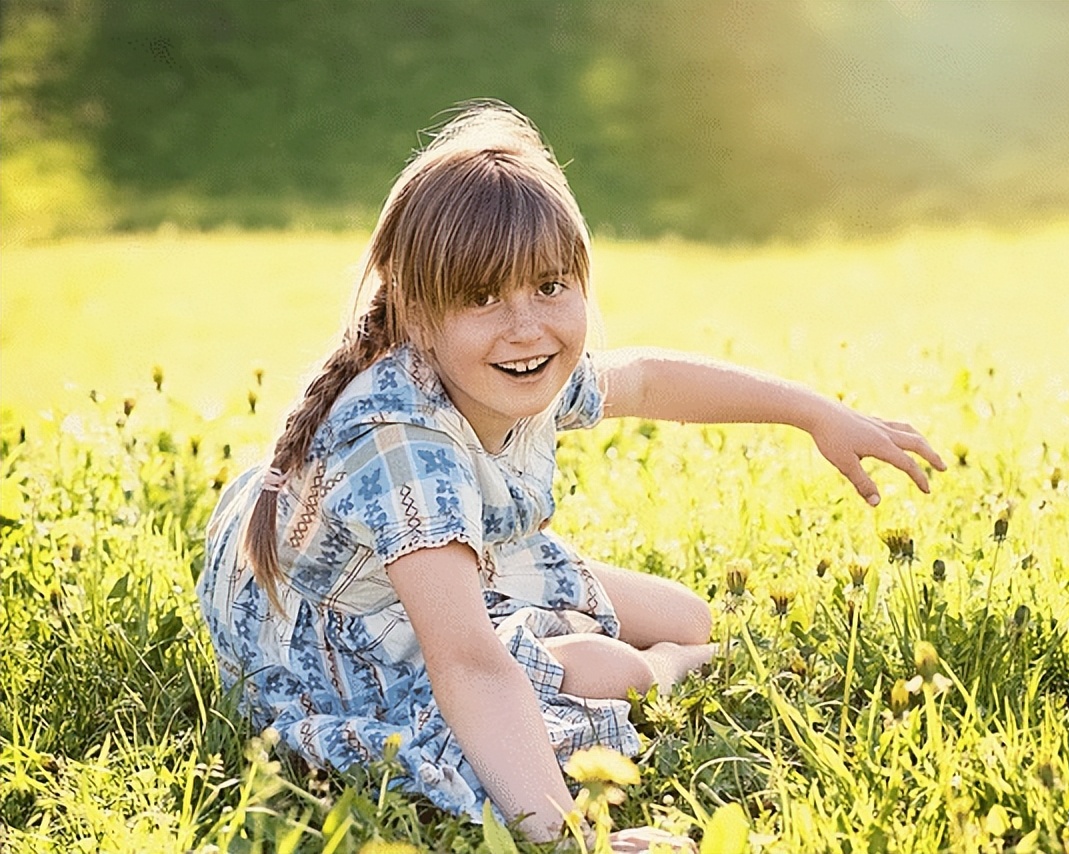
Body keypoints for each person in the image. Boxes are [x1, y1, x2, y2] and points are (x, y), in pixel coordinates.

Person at [197, 101, 945, 851]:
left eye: (550, 286)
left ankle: (654, 651)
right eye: (483, 297)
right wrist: (573, 841)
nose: (527, 327)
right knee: (609, 669)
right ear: (418, 316)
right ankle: (663, 671)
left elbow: (647, 380)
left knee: (688, 615)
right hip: (348, 634)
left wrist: (815, 413)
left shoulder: (512, 367)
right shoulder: (406, 449)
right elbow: (468, 666)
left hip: (442, 563)